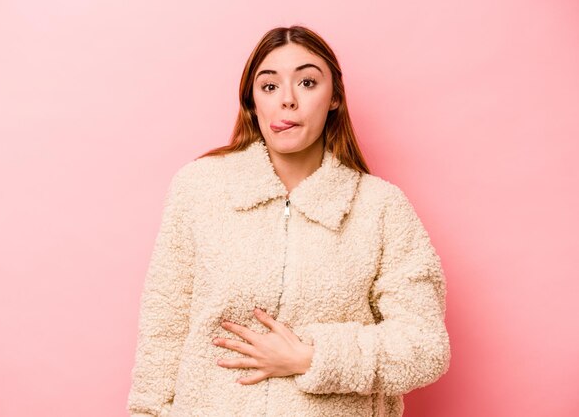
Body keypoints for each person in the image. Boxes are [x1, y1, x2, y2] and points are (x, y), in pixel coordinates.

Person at [126, 25, 450, 417]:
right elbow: (164, 328)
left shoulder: (381, 207)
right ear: (252, 101)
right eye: (269, 86)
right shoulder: (199, 188)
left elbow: (424, 347)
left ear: (334, 98)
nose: (288, 101)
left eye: (308, 82)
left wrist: (311, 357)